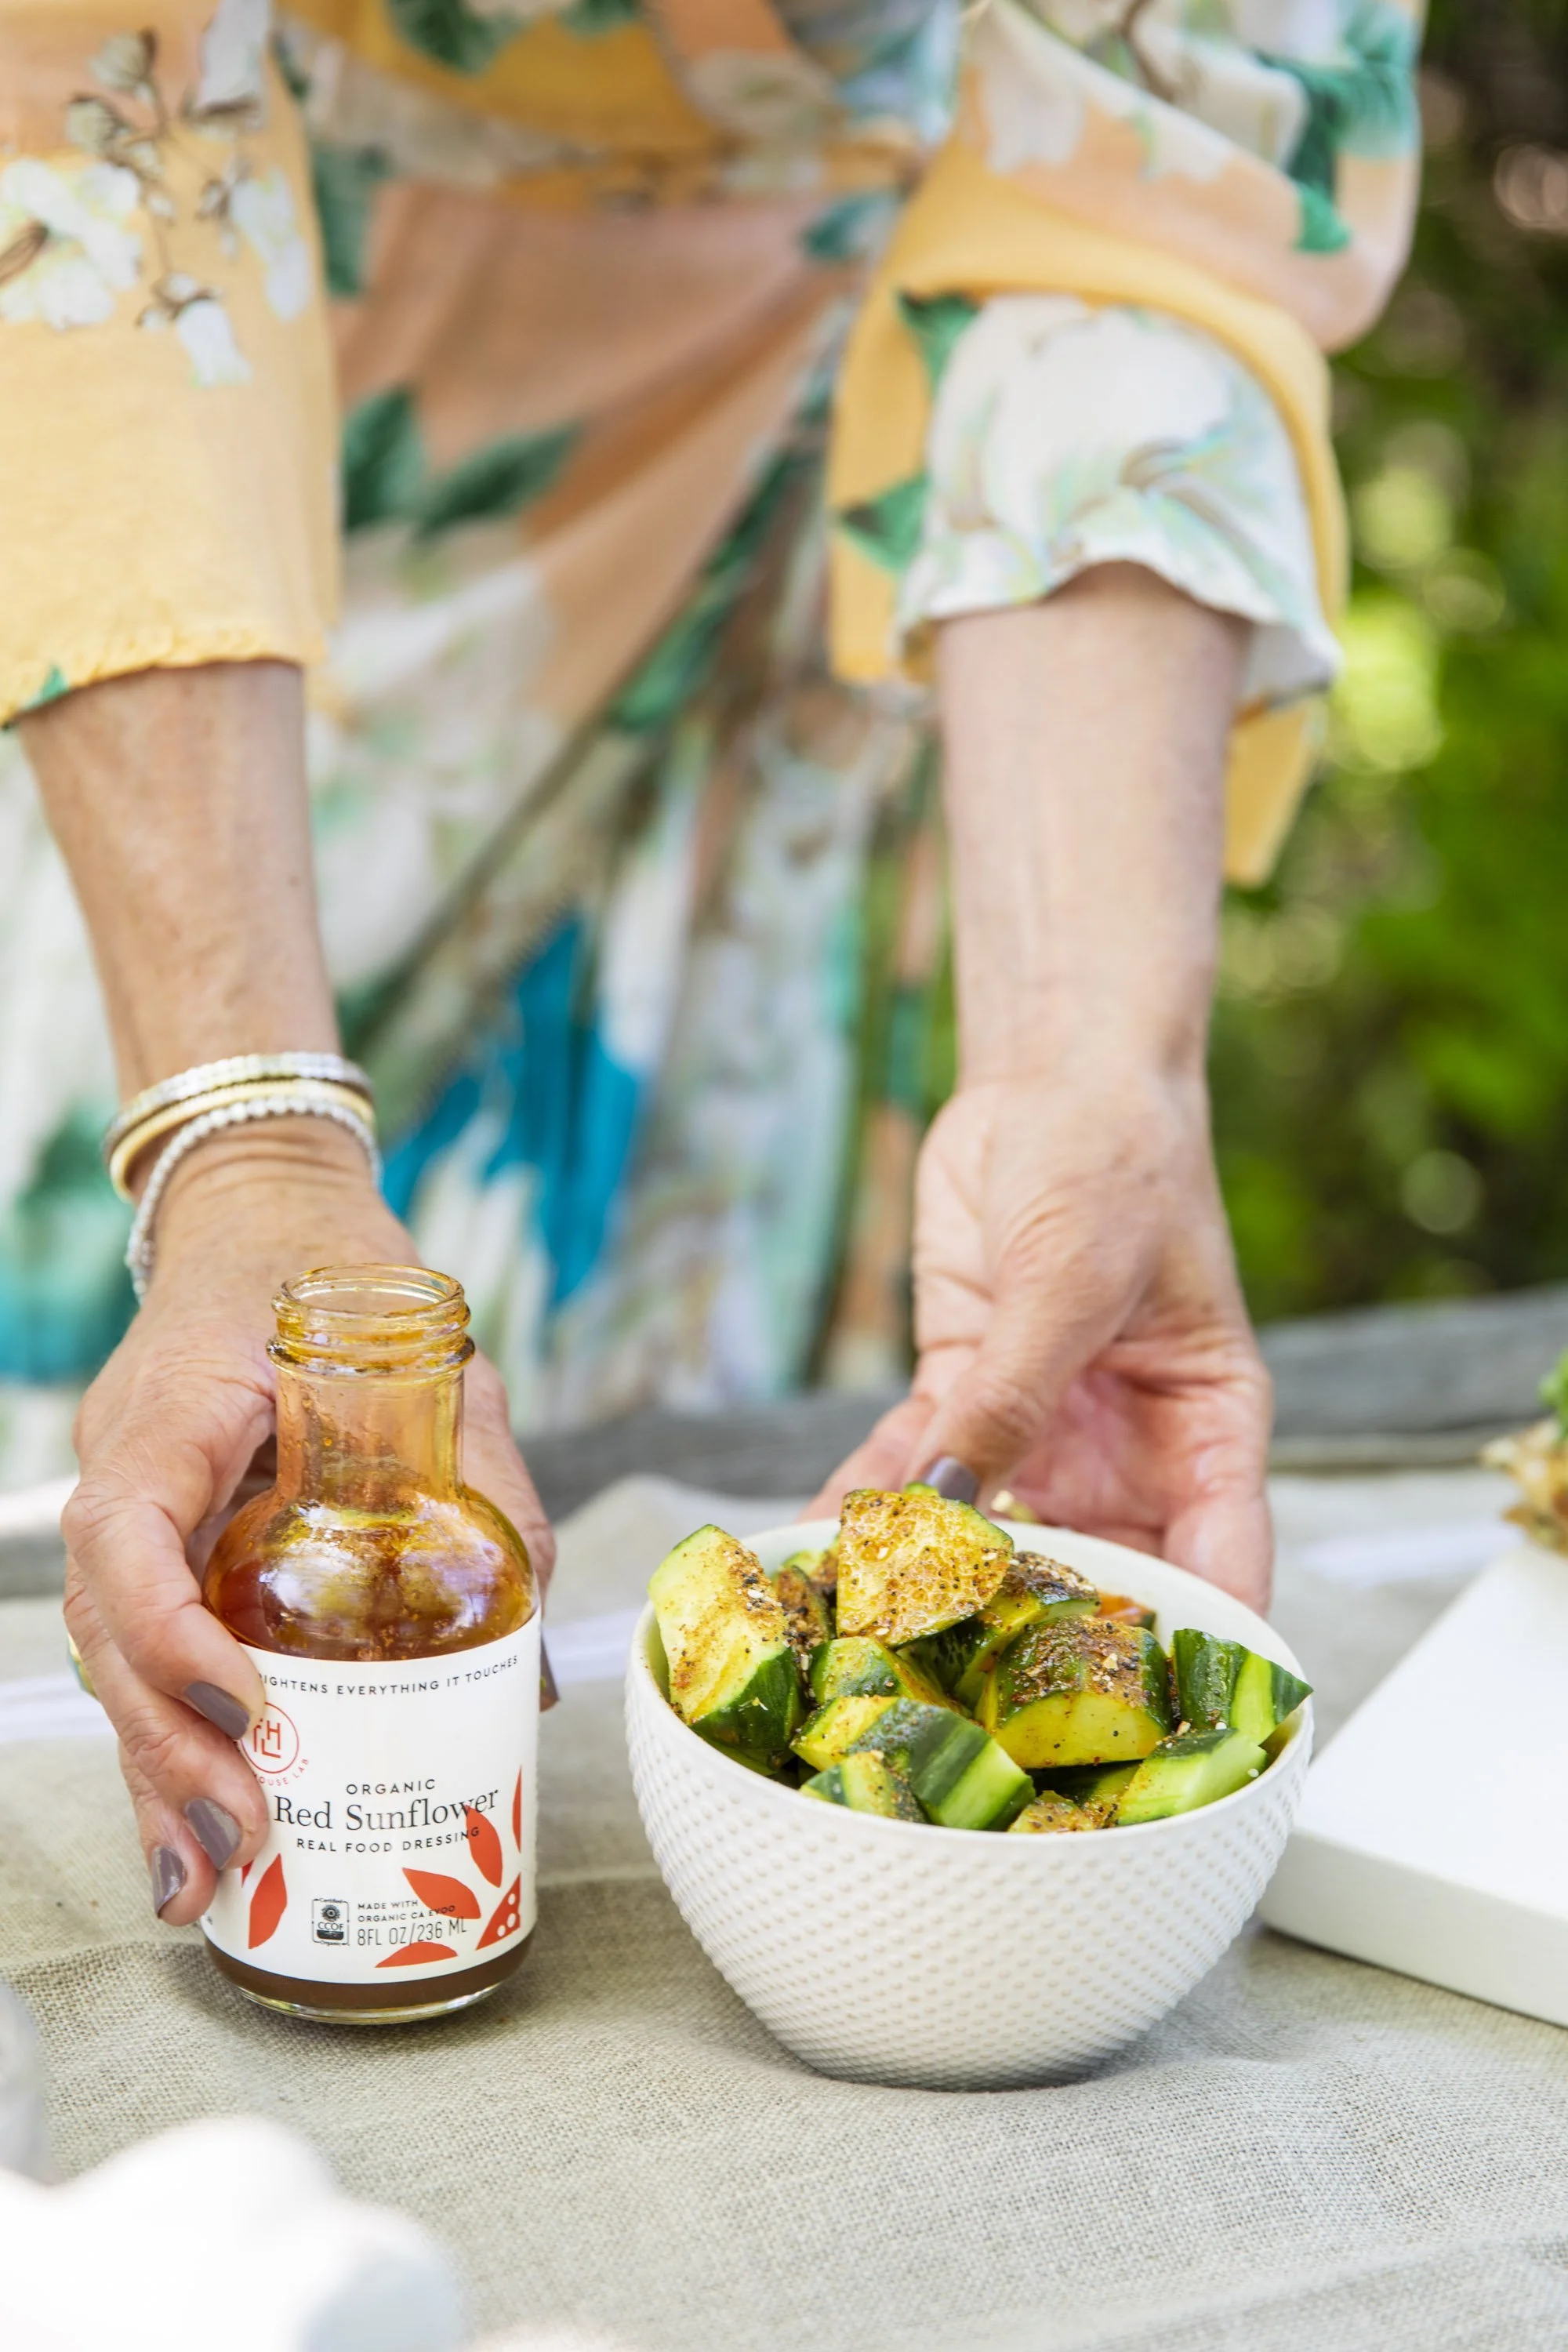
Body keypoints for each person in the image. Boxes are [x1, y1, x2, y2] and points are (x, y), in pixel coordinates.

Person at [0, 0, 1422, 1923]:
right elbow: (77, 111)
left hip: (857, 574)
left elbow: (1163, 171)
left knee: (712, 1421)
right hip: (229, 570)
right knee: (143, 1430)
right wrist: (241, 1135)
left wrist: (1099, 1061)